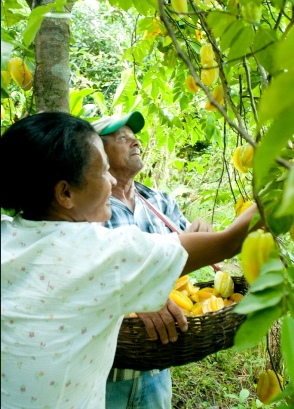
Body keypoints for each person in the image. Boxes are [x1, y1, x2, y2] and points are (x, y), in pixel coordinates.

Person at [1, 111, 259, 409]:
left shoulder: (7, 234)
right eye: (101, 171)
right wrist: (281, 182)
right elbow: (230, 241)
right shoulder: (102, 252)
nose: (109, 178)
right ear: (65, 192)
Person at [92, 111, 215, 409]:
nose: (135, 142)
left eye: (135, 137)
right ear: (97, 151)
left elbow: (184, 265)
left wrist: (203, 238)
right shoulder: (87, 206)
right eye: (122, 137)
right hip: (100, 373)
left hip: (156, 369)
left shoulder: (160, 202)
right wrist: (134, 296)